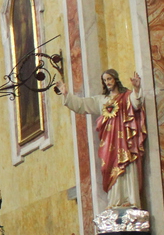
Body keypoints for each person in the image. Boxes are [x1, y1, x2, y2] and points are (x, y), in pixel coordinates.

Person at [60, 69, 147, 208]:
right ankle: (115, 201)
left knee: (127, 165)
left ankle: (130, 199)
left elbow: (136, 104)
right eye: (105, 80)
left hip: (125, 141)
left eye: (109, 79)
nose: (108, 82)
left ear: (115, 79)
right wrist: (66, 94)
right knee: (109, 167)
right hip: (109, 142)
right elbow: (82, 104)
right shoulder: (102, 100)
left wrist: (136, 88)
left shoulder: (126, 96)